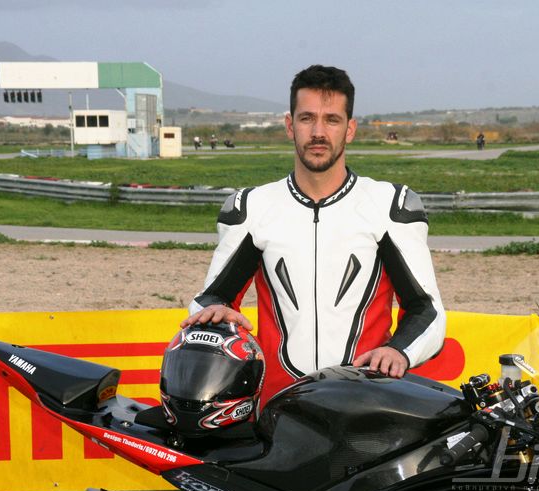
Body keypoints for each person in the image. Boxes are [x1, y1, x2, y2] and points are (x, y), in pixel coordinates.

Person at [181, 65, 446, 404]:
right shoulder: (253, 208)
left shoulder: (388, 207)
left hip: (366, 403)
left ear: (350, 129)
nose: (318, 132)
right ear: (290, 126)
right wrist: (218, 316)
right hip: (278, 407)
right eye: (307, 118)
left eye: (332, 120)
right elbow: (209, 300)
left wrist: (399, 351)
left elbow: (426, 310)